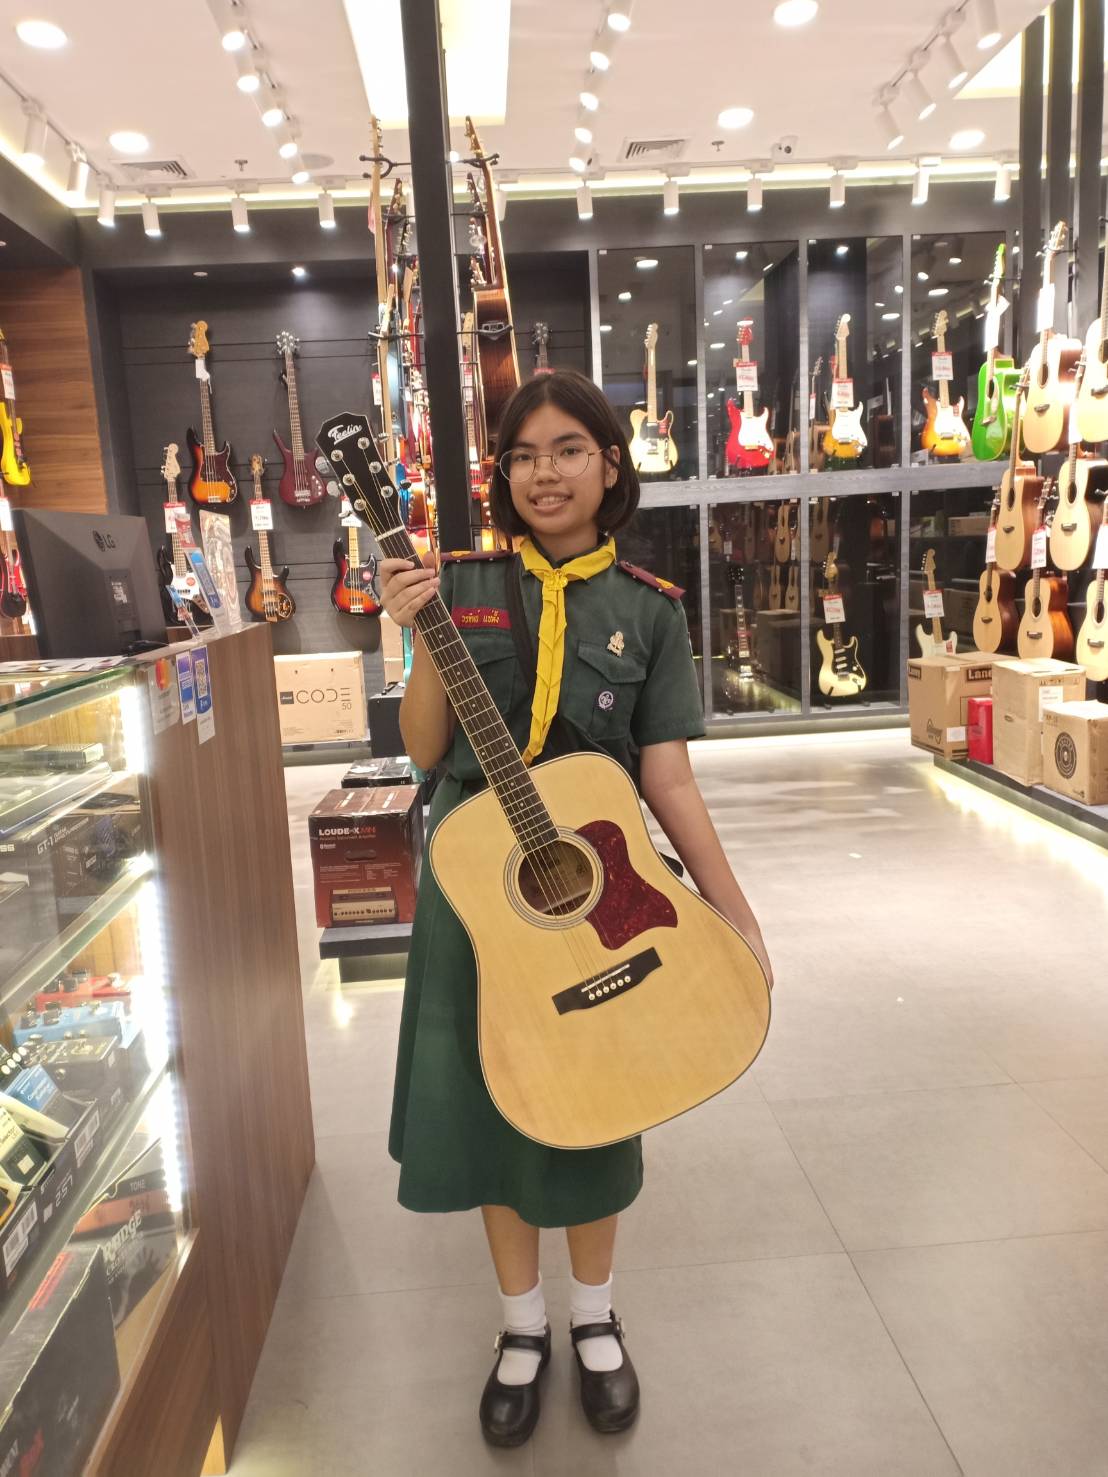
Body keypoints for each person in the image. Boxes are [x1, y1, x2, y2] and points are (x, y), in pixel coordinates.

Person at [380, 368, 771, 1448]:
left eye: (566, 450)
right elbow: (424, 749)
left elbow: (668, 777)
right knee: (489, 1110)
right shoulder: (457, 583)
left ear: (609, 463)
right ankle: (521, 1326)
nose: (543, 473)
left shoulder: (650, 610)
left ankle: (594, 1316)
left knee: (600, 1098)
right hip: (477, 892)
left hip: (597, 890)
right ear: (501, 474)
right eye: (522, 455)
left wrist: (735, 915)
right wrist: (421, 634)